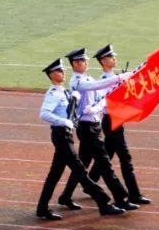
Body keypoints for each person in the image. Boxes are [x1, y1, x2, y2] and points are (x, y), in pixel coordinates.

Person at [34, 58, 125, 220]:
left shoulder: (64, 91)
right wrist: (64, 121)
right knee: (80, 170)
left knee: (55, 173)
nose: (63, 73)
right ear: (51, 75)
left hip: (66, 135)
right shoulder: (53, 94)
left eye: (62, 70)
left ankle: (42, 207)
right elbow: (44, 113)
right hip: (61, 135)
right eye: (59, 71)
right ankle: (103, 202)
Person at [57, 48, 138, 212]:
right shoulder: (77, 81)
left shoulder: (87, 78)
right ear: (75, 64)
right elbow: (97, 85)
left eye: (85, 60)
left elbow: (103, 95)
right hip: (87, 129)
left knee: (82, 165)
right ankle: (119, 199)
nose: (85, 63)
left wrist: (117, 86)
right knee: (105, 164)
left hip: (93, 126)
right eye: (81, 61)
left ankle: (66, 196)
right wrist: (119, 77)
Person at [91, 44, 150, 205]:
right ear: (103, 60)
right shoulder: (105, 80)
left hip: (116, 120)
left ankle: (90, 183)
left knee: (107, 155)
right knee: (125, 157)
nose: (114, 58)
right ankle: (134, 194)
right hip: (112, 121)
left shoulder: (114, 77)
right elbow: (106, 100)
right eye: (111, 57)